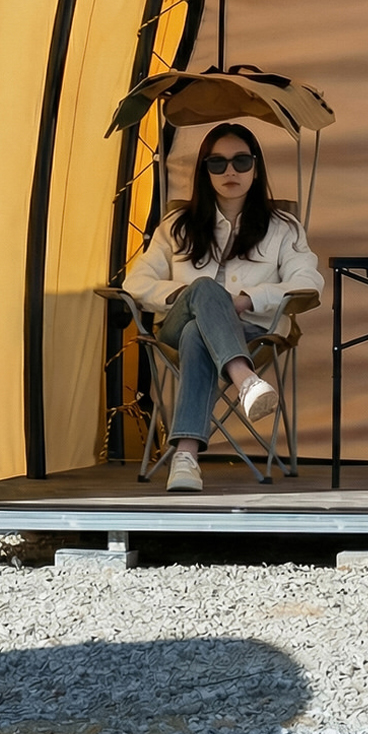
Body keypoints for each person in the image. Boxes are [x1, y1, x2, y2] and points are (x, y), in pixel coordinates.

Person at [124, 122, 323, 492]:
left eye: (241, 161)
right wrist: (191, 297)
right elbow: (135, 283)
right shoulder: (176, 226)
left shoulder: (282, 228)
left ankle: (185, 458)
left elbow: (308, 282)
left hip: (252, 331)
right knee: (203, 292)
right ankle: (246, 382)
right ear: (205, 171)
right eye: (217, 164)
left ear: (256, 167)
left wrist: (247, 300)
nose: (230, 171)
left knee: (197, 334)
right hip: (176, 324)